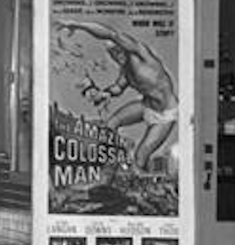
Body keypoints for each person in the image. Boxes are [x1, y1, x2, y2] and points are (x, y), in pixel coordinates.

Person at [56, 18, 178, 171]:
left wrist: (78, 24)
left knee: (140, 157)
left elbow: (110, 34)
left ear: (124, 47)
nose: (116, 55)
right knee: (111, 123)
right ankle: (108, 164)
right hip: (146, 104)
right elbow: (117, 88)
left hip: (165, 113)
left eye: (118, 50)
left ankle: (139, 182)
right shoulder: (126, 72)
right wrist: (104, 94)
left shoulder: (141, 55)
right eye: (113, 53)